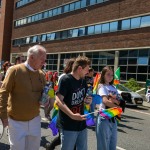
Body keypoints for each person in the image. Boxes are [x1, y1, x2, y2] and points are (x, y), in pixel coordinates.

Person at [0, 45, 47, 150]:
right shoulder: (15, 70)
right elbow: (3, 93)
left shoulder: (41, 74)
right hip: (16, 122)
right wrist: (3, 116)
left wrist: (47, 99)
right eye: (42, 59)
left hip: (35, 119)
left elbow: (46, 93)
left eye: (45, 60)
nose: (44, 62)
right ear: (31, 57)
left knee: (34, 148)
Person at [55, 56, 92, 150]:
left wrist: (87, 101)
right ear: (80, 68)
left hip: (81, 124)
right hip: (68, 125)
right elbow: (59, 101)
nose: (88, 72)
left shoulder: (83, 81)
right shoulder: (66, 80)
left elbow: (82, 100)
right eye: (86, 70)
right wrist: (72, 115)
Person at [46, 58, 76, 150]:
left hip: (71, 109)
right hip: (62, 108)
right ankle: (50, 147)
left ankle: (50, 148)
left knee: (68, 137)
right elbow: (60, 95)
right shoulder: (64, 77)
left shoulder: (74, 77)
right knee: (63, 137)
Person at [96, 66, 121, 150]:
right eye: (108, 74)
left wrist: (117, 104)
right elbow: (105, 101)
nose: (110, 77)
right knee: (104, 144)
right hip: (104, 116)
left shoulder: (113, 87)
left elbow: (118, 100)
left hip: (113, 116)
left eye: (112, 75)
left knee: (112, 143)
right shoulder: (101, 86)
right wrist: (118, 107)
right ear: (103, 75)